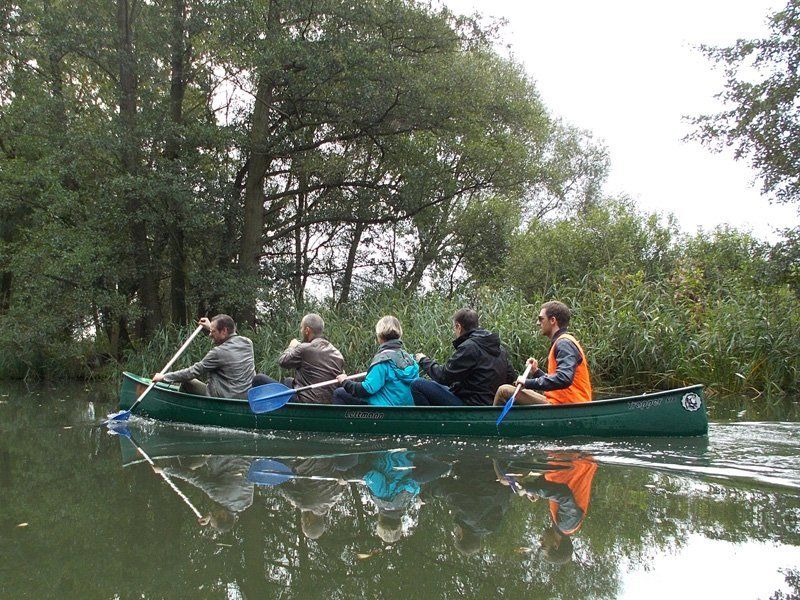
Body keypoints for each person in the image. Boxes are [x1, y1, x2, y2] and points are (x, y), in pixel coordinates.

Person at [494, 301, 592, 406]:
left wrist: (527, 382)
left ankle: (490, 422)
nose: (538, 323)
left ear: (552, 320)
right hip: (561, 401)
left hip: (569, 405)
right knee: (512, 391)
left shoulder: (564, 343)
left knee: (503, 391)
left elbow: (564, 379)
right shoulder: (562, 342)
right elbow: (558, 380)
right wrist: (536, 372)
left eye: (541, 319)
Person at [412, 308, 517, 406]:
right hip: (491, 404)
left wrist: (423, 360)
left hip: (471, 406)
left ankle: (430, 424)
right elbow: (511, 377)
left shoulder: (470, 347)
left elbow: (443, 376)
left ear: (458, 327)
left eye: (454, 328)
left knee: (418, 385)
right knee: (436, 385)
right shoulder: (499, 348)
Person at [153, 315, 255, 399]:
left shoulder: (217, 353)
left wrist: (164, 377)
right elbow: (231, 336)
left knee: (188, 382)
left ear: (224, 330)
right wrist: (211, 326)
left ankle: (181, 409)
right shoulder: (247, 343)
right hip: (245, 397)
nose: (210, 335)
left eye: (213, 331)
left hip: (223, 398)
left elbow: (193, 371)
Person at [252, 313, 344, 404]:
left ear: (307, 330)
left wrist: (292, 347)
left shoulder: (304, 348)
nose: (301, 331)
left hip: (305, 402)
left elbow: (282, 362)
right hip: (326, 403)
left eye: (301, 328)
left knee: (258, 379)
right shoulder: (337, 354)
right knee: (288, 381)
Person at [333, 316, 418, 406]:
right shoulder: (410, 359)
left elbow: (366, 390)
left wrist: (345, 382)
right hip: (405, 408)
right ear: (399, 334)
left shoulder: (383, 360)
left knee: (339, 393)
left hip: (385, 410)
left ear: (379, 337)